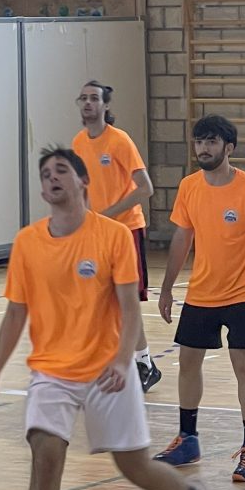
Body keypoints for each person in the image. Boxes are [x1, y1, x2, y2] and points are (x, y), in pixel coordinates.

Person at [0, 146, 219, 490]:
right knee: (45, 461)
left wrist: (124, 362)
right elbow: (15, 314)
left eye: (61, 170)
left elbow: (128, 308)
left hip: (107, 368)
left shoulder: (112, 236)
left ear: (83, 182)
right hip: (51, 372)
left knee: (135, 467)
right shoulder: (27, 242)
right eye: (46, 173)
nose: (52, 178)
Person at [155, 114, 245, 482]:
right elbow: (182, 238)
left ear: (228, 148)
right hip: (201, 292)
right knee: (188, 363)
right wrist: (167, 287)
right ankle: (188, 439)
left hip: (242, 293)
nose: (203, 148)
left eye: (212, 142)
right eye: (199, 141)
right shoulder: (189, 187)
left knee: (244, 366)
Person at [72, 79, 161, 392]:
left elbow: (145, 188)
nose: (88, 103)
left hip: (125, 230)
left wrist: (107, 215)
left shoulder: (119, 141)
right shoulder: (78, 143)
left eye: (94, 98)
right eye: (83, 98)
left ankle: (145, 363)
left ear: (105, 105)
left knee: (127, 300)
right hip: (95, 232)